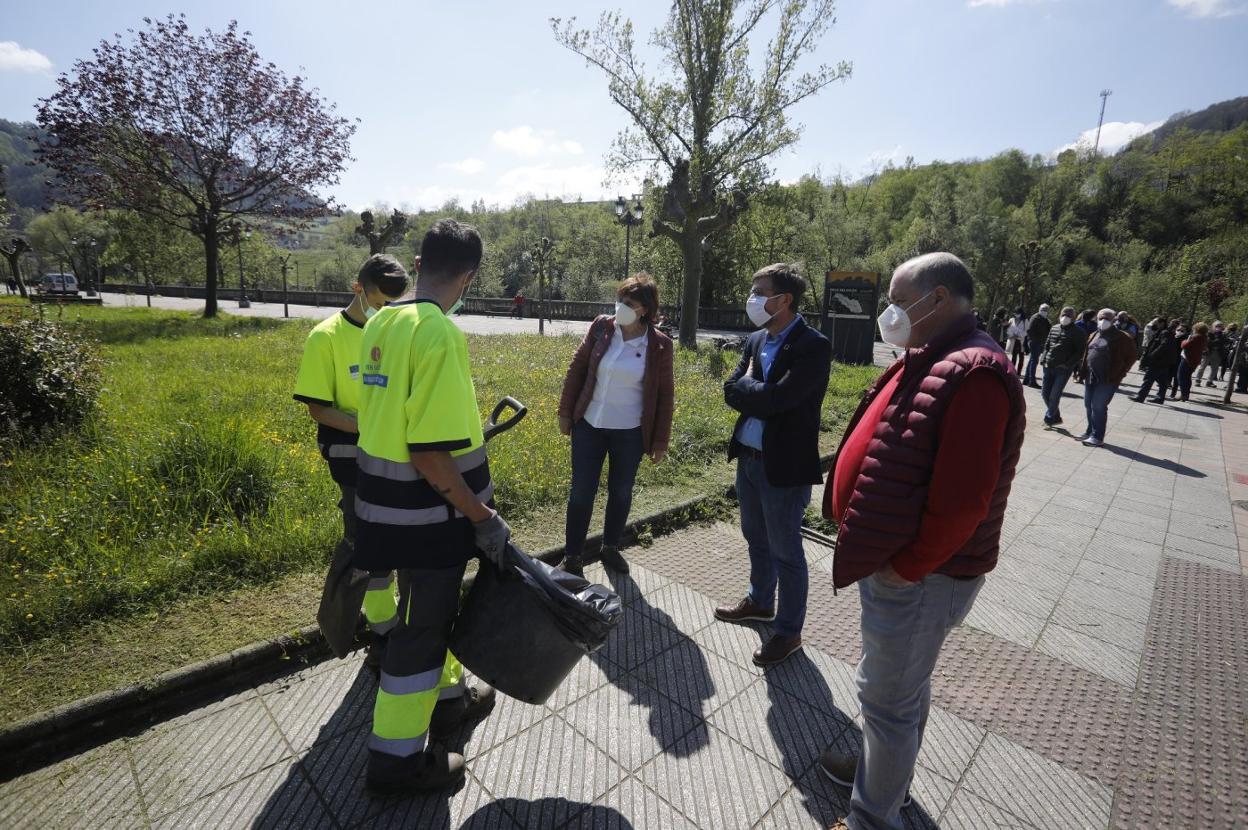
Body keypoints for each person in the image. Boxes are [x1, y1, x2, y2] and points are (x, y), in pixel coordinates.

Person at [817, 253, 1025, 830]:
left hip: (923, 575)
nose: (889, 310)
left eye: (897, 297)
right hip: (905, 565)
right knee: (901, 691)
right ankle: (883, 775)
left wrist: (907, 568)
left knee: (887, 699)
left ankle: (872, 816)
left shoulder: (974, 371)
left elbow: (963, 503)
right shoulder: (933, 355)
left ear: (936, 300)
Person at [353, 219, 502, 793]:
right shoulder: (440, 333)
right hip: (426, 518)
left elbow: (393, 420)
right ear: (468, 276)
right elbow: (429, 452)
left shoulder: (382, 320)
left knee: (423, 620)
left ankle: (446, 699)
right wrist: (481, 516)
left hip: (381, 508)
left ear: (417, 265)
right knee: (421, 633)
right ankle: (395, 762)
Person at [293, 254, 410, 669]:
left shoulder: (396, 332)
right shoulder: (325, 337)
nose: (385, 312)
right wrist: (371, 426)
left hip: (398, 456)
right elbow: (319, 409)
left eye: (393, 305)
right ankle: (383, 629)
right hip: (354, 458)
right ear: (357, 288)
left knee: (400, 541)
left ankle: (398, 618)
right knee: (368, 544)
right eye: (379, 302)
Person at [715, 263, 832, 667]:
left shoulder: (812, 346)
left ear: (784, 299)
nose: (753, 297)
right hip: (748, 459)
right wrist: (755, 392)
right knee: (755, 537)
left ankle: (788, 632)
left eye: (760, 290)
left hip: (783, 467)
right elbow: (730, 391)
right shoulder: (754, 340)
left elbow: (781, 401)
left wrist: (753, 391)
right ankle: (761, 602)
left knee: (787, 551)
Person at [557, 274, 674, 577]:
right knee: (581, 492)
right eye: (620, 300)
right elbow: (577, 368)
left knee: (621, 491)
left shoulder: (659, 345)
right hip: (589, 425)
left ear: (645, 310)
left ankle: (610, 547)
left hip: (631, 433)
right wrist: (565, 412)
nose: (620, 307)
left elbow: (665, 394)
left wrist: (660, 441)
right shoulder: (601, 327)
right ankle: (572, 557)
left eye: (629, 303)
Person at [1076, 308, 1137, 447]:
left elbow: (1132, 356)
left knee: (1098, 406)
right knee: (1088, 404)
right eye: (1101, 317)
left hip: (1108, 378)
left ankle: (1097, 436)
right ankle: (1090, 431)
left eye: (1108, 318)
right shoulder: (1094, 334)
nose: (1104, 321)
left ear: (1114, 320)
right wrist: (1082, 370)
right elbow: (1087, 352)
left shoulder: (1122, 337)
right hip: (1091, 375)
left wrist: (1122, 371)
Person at [1040, 306, 1085, 426]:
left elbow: (1079, 352)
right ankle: (1056, 416)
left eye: (1069, 315)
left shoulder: (1078, 332)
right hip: (1048, 366)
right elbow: (1047, 345)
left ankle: (1049, 417)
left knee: (1054, 394)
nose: (1065, 317)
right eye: (1064, 314)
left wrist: (1067, 364)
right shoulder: (1054, 328)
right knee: (1045, 393)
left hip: (1063, 369)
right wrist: (1043, 358)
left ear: (1074, 317)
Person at [1133, 320, 1180, 405]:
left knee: (1148, 379)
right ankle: (1160, 398)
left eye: (1156, 323)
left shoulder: (1165, 333)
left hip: (1158, 361)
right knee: (1162, 382)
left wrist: (1153, 355)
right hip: (1163, 361)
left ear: (1162, 323)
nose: (1154, 324)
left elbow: (1163, 345)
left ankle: (1140, 397)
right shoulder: (1165, 333)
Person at [1177, 322, 1208, 402]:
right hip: (1195, 360)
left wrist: (1185, 340)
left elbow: (1184, 345)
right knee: (1187, 377)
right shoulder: (1204, 337)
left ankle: (1184, 395)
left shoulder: (1196, 337)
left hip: (1187, 358)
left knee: (1181, 377)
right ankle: (1185, 394)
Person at [1023, 303, 1051, 387]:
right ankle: (1032, 381)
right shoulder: (1035, 318)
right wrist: (1036, 340)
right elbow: (1029, 330)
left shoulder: (1045, 319)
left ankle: (1026, 379)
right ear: (1039, 309)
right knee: (1034, 361)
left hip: (1040, 343)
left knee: (1032, 360)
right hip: (1035, 343)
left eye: (1046, 310)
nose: (1044, 311)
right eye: (1043, 309)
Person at [1196, 321, 1225, 388]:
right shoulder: (1209, 334)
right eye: (1217, 326)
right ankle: (1198, 380)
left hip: (1217, 353)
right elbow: (1207, 342)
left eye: (1220, 326)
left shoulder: (1223, 335)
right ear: (1213, 327)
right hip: (1208, 352)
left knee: (1215, 369)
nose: (1218, 328)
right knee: (1202, 367)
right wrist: (1215, 341)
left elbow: (1224, 343)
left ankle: (1210, 381)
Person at [1006, 309, 1026, 373]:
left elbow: (1027, 331)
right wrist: (1011, 335)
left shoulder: (1025, 321)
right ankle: (1012, 371)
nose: (1016, 314)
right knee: (1014, 356)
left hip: (1021, 341)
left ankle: (1019, 372)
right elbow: (1008, 329)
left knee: (1021, 357)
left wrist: (1019, 335)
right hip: (1013, 340)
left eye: (1018, 313)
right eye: (1015, 313)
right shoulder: (1011, 320)